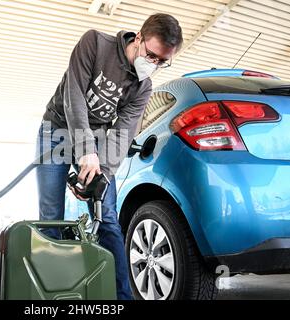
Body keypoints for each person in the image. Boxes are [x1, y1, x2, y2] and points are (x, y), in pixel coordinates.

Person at [35, 13, 183, 300]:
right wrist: (86, 151)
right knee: (51, 218)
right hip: (55, 129)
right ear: (138, 38)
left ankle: (121, 297)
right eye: (151, 56)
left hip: (99, 142)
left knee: (109, 220)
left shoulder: (143, 87)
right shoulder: (95, 43)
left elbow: (123, 132)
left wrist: (102, 171)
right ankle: (51, 294)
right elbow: (73, 96)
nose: (154, 65)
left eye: (162, 62)